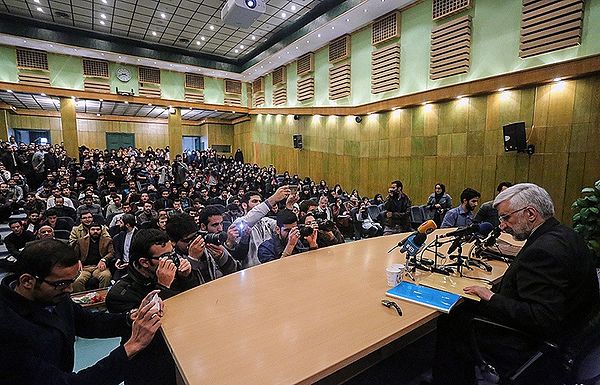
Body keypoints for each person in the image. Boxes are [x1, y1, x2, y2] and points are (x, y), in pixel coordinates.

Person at [432, 183, 600, 384]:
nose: (501, 225)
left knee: (453, 320)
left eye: (506, 217)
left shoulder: (543, 252)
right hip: (571, 332)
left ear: (530, 213)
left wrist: (491, 296)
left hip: (536, 344)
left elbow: (540, 317)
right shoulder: (566, 234)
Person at [0, 239, 162, 385]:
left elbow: (87, 322)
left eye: (72, 281)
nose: (70, 289)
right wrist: (131, 347)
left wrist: (129, 317)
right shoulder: (7, 329)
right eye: (62, 283)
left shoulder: (52, 295)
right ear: (27, 281)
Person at [106, 229, 195, 385]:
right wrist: (163, 287)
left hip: (183, 353)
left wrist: (187, 277)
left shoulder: (172, 273)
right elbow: (158, 326)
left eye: (172, 253)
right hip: (148, 364)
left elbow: (193, 306)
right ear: (144, 262)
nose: (173, 260)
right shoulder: (120, 294)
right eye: (165, 257)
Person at [166, 211, 240, 285]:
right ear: (173, 242)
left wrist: (222, 257)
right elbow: (187, 289)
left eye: (195, 236)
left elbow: (236, 271)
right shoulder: (172, 262)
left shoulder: (209, 245)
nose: (194, 242)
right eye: (188, 240)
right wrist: (192, 259)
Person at [72, 222, 114, 292]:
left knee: (106, 276)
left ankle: (102, 298)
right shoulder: (81, 241)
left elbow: (112, 253)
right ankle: (83, 299)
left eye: (98, 230)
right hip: (84, 268)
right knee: (77, 281)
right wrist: (78, 261)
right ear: (89, 231)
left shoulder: (107, 240)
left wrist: (104, 259)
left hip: (99, 267)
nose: (95, 231)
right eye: (93, 229)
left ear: (101, 231)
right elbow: (74, 255)